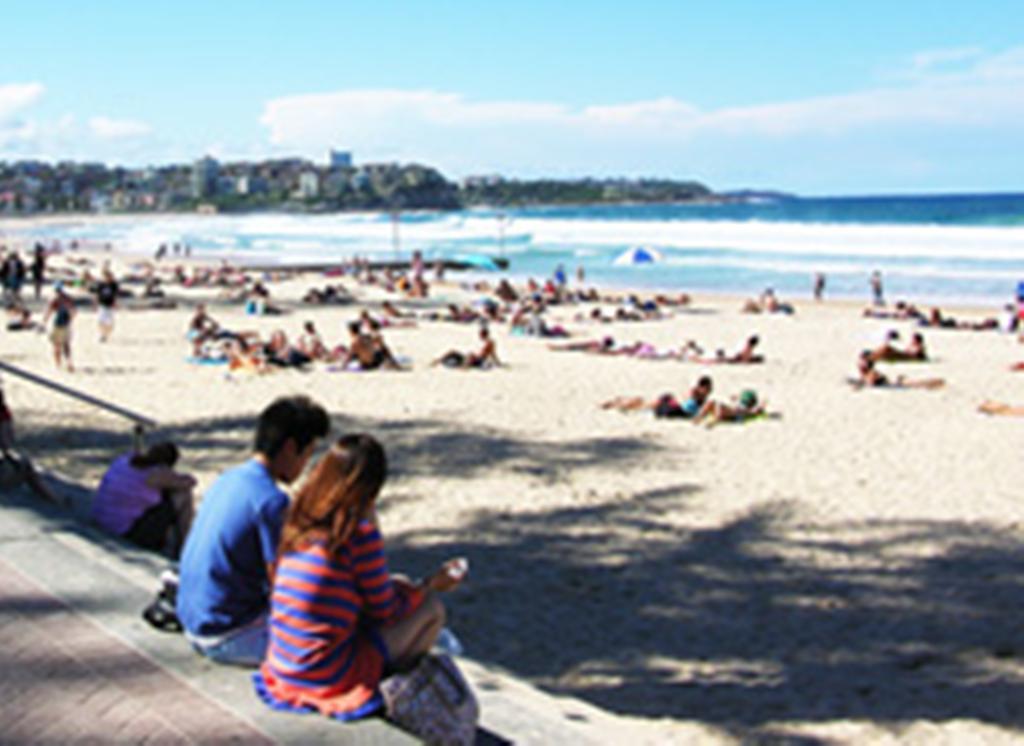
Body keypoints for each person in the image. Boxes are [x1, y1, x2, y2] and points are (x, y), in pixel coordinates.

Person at [252, 434, 460, 721]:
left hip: (283, 664)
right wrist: (429, 585)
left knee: (397, 584)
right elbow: (385, 611)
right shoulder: (356, 535)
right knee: (433, 611)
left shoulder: (300, 522)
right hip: (326, 674)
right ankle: (395, 696)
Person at [177, 396, 331, 666]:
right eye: (307, 455)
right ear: (290, 447)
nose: (305, 465)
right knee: (337, 641)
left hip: (195, 620)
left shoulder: (230, 478)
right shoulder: (271, 500)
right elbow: (283, 582)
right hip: (227, 635)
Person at [91, 442, 197, 557]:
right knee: (183, 495)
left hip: (102, 520)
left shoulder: (125, 459)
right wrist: (173, 475)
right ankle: (183, 548)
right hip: (126, 531)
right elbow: (190, 482)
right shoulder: (155, 474)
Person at [43, 282, 76, 372]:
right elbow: (73, 312)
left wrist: (44, 321)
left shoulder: (54, 299)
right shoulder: (68, 298)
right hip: (66, 323)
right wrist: (70, 320)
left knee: (56, 345)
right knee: (66, 344)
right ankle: (69, 362)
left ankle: (58, 364)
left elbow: (49, 311)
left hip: (56, 323)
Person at [433, 326, 502, 369]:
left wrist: (497, 362)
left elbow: (490, 354)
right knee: (452, 351)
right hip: (471, 357)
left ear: (485, 334)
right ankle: (438, 360)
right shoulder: (484, 342)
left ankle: (464, 366)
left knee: (470, 355)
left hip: (477, 360)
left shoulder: (489, 342)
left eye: (481, 334)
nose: (480, 336)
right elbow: (493, 354)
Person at [94, 268, 119, 342]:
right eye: (106, 277)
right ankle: (102, 335)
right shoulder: (101, 285)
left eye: (109, 277)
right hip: (102, 305)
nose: (107, 278)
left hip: (110, 305)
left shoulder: (114, 285)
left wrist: (115, 304)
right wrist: (95, 304)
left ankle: (106, 334)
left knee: (110, 322)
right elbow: (97, 295)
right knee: (100, 321)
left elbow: (115, 295)